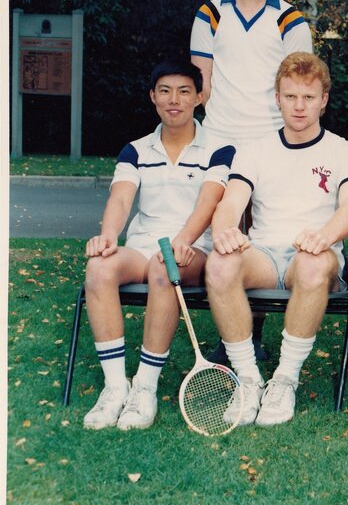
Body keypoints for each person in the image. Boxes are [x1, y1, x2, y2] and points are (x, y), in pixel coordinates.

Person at [205, 52, 348, 427]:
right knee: (220, 263)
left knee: (311, 264)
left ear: (324, 100)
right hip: (263, 255)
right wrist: (225, 232)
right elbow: (230, 202)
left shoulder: (345, 151)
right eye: (290, 96)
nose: (299, 106)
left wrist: (324, 236)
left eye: (308, 97)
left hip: (316, 255)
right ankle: (248, 379)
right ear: (277, 98)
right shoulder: (254, 150)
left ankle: (284, 381)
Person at [82, 61, 234, 430]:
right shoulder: (135, 150)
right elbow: (121, 198)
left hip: (193, 250)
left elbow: (209, 204)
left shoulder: (220, 149)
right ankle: (116, 388)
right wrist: (108, 236)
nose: (174, 99)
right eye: (165, 91)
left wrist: (182, 241)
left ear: (199, 97)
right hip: (142, 247)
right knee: (99, 267)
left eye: (184, 91)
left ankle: (144, 389)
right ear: (153, 97)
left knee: (163, 265)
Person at [190, 0, 314, 360]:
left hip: (270, 138)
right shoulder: (210, 13)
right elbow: (201, 82)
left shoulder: (290, 18)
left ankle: (254, 337)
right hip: (220, 137)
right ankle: (230, 336)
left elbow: (300, 84)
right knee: (221, 234)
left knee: (260, 237)